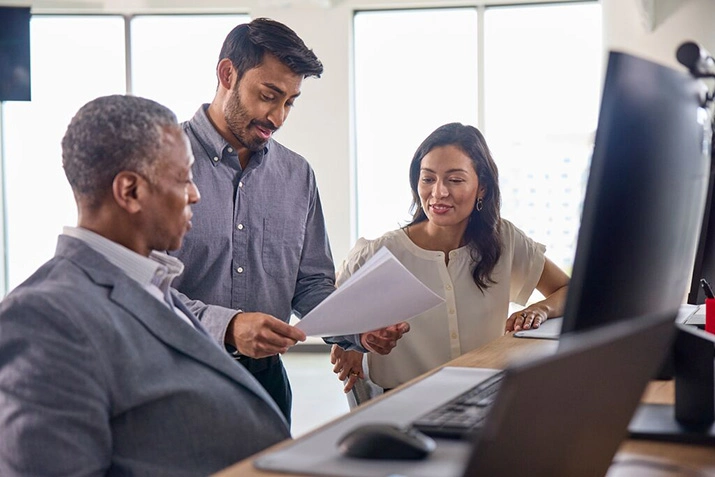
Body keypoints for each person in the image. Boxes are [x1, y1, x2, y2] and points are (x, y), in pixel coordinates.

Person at [0, 95, 291, 476]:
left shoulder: (154, 284)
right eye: (184, 177)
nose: (195, 194)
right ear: (130, 191)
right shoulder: (44, 318)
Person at [171, 17, 408, 424]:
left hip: (268, 385)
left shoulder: (297, 175)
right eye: (269, 95)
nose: (278, 117)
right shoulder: (163, 162)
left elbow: (311, 284)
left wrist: (358, 330)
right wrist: (229, 327)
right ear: (227, 74)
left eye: (290, 102)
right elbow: (139, 291)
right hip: (177, 377)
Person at [330, 122, 570, 403]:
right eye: (428, 179)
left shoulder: (505, 239)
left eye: (455, 180)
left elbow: (570, 290)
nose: (438, 193)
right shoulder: (379, 253)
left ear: (482, 188)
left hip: (486, 398)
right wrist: (349, 340)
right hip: (403, 404)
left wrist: (541, 309)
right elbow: (333, 320)